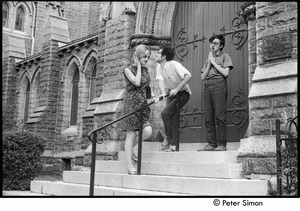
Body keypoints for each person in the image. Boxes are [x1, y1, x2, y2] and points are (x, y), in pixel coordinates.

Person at [120, 44, 153, 174]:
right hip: (131, 104)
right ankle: (129, 166)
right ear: (137, 55)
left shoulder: (145, 70)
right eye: (144, 56)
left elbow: (146, 86)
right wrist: (138, 67)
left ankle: (130, 149)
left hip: (142, 104)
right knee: (131, 133)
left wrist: (151, 97)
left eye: (148, 57)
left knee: (148, 131)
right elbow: (137, 82)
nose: (146, 59)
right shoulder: (127, 69)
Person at [198, 34, 233, 151]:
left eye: (216, 43)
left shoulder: (225, 56)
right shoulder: (208, 59)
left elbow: (226, 73)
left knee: (220, 116)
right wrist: (209, 63)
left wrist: (213, 62)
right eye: (211, 43)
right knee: (208, 117)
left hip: (219, 84)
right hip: (207, 85)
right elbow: (203, 76)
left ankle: (222, 145)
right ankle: (212, 144)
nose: (212, 46)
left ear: (221, 45)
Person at [155, 46, 192, 152]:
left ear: (164, 56)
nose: (156, 54)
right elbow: (161, 81)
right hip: (172, 94)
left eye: (158, 53)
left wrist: (176, 89)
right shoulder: (159, 67)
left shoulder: (174, 64)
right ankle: (171, 145)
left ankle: (170, 143)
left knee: (165, 114)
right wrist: (163, 92)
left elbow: (188, 75)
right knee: (171, 117)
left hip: (182, 94)